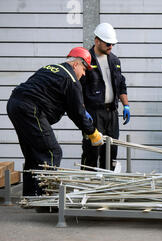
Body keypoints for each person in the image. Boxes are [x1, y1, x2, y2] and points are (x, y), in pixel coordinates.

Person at [6, 47, 104, 199]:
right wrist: (92, 132)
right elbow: (76, 113)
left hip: (15, 104)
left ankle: (31, 197)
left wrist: (79, 108)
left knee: (33, 154)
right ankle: (45, 198)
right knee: (52, 152)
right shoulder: (71, 79)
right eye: (84, 69)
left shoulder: (51, 68)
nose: (84, 74)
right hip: (31, 109)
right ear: (76, 64)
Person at [80, 22, 129, 170]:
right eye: (108, 43)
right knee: (92, 151)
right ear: (97, 41)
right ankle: (87, 187)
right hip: (93, 113)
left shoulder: (114, 60)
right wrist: (83, 111)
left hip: (111, 113)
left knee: (111, 151)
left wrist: (126, 105)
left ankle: (106, 185)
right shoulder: (86, 60)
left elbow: (121, 84)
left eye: (112, 44)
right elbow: (78, 89)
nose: (110, 47)